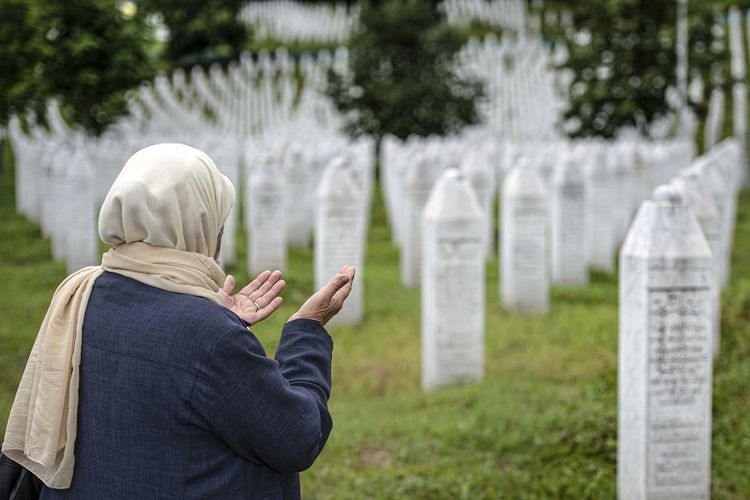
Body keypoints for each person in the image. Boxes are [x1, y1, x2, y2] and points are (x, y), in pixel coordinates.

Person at [2, 143, 355, 499]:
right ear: (197, 224)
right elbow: (295, 438)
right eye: (217, 221)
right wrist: (307, 329)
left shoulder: (83, 291)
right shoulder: (206, 335)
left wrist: (213, 322)